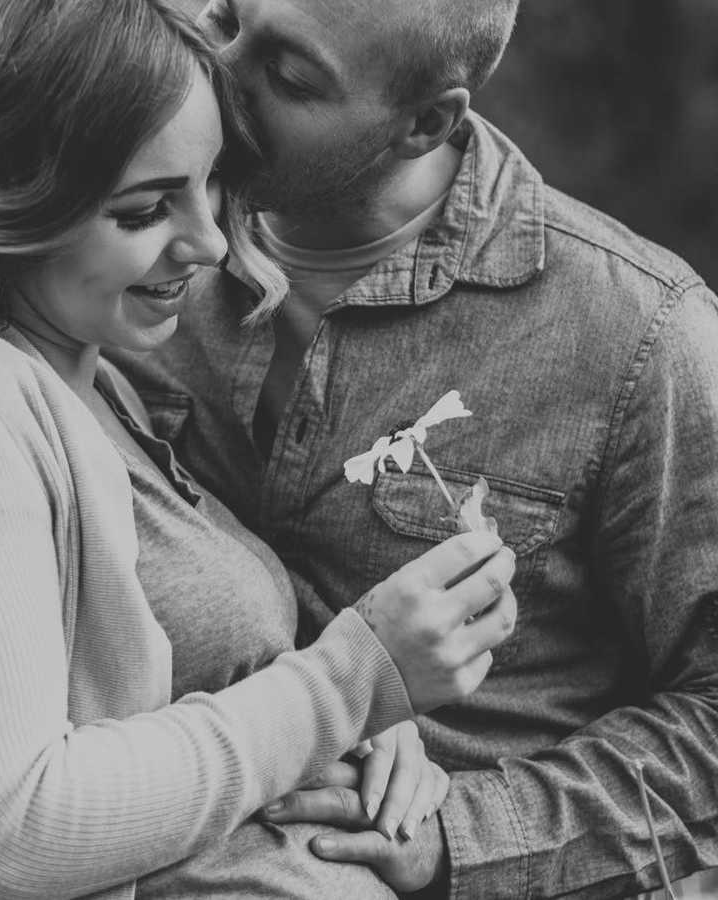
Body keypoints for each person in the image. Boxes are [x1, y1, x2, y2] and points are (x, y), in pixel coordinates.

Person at [0, 1, 521, 898]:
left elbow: (128, 714)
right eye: (145, 209)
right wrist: (346, 684)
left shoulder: (90, 379)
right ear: (11, 194)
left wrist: (349, 718)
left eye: (210, 183)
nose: (213, 241)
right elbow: (11, 835)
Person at [104, 0, 718, 897]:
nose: (216, 72)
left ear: (427, 122)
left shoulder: (642, 336)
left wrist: (458, 843)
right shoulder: (121, 259)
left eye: (288, 76)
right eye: (223, 15)